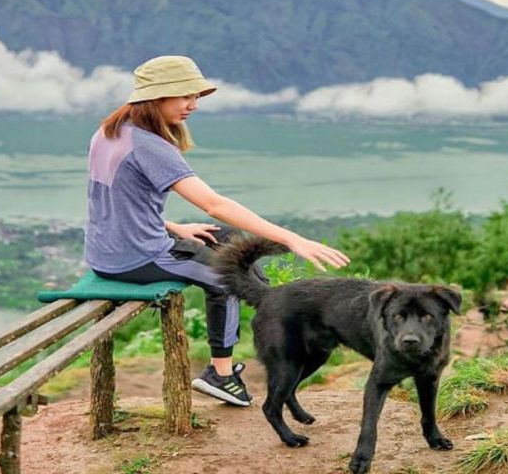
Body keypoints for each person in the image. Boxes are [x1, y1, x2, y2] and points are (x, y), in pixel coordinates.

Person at [84, 55, 351, 406]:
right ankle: (221, 375)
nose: (192, 105)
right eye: (184, 96)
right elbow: (214, 203)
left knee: (224, 238)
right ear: (156, 97)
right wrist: (290, 238)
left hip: (111, 248)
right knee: (229, 280)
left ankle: (259, 300)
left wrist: (175, 226)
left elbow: (115, 200)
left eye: (196, 96)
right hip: (136, 256)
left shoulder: (110, 132)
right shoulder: (151, 146)